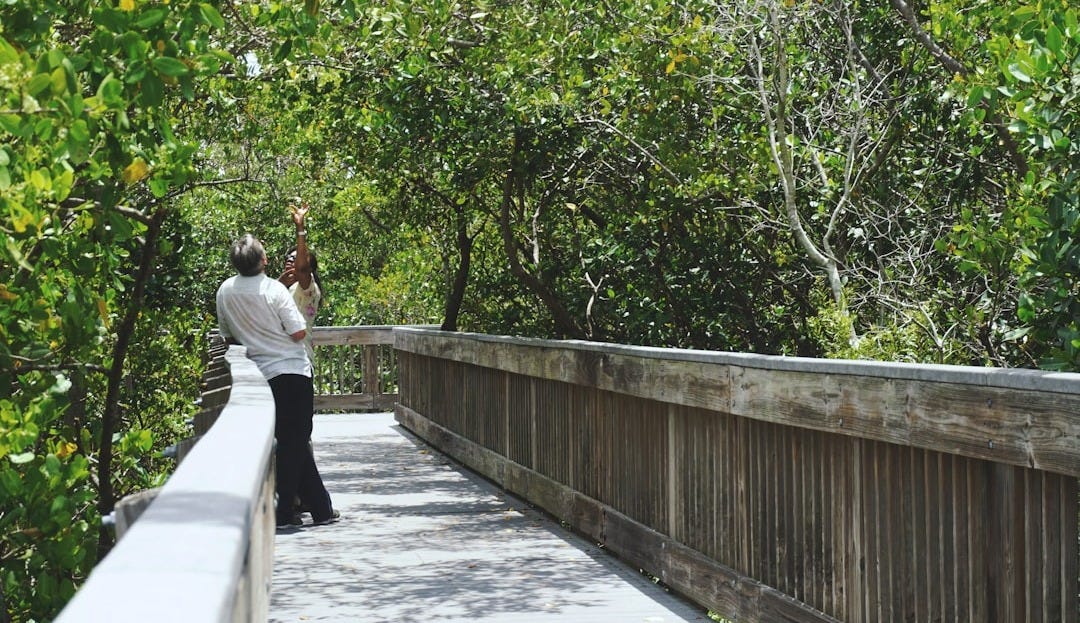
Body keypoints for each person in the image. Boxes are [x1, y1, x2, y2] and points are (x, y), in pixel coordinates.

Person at [215, 233, 339, 528]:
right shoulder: (274, 290)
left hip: (258, 375)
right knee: (294, 442)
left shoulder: (225, 291)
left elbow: (228, 335)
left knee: (291, 442)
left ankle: (321, 509)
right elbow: (298, 333)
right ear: (264, 260)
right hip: (292, 371)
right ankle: (284, 514)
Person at [278, 201, 322, 362]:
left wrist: (300, 229)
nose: (291, 261)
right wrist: (279, 284)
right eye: (289, 258)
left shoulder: (307, 287)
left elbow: (301, 269)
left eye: (296, 259)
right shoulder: (278, 287)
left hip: (298, 360)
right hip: (276, 361)